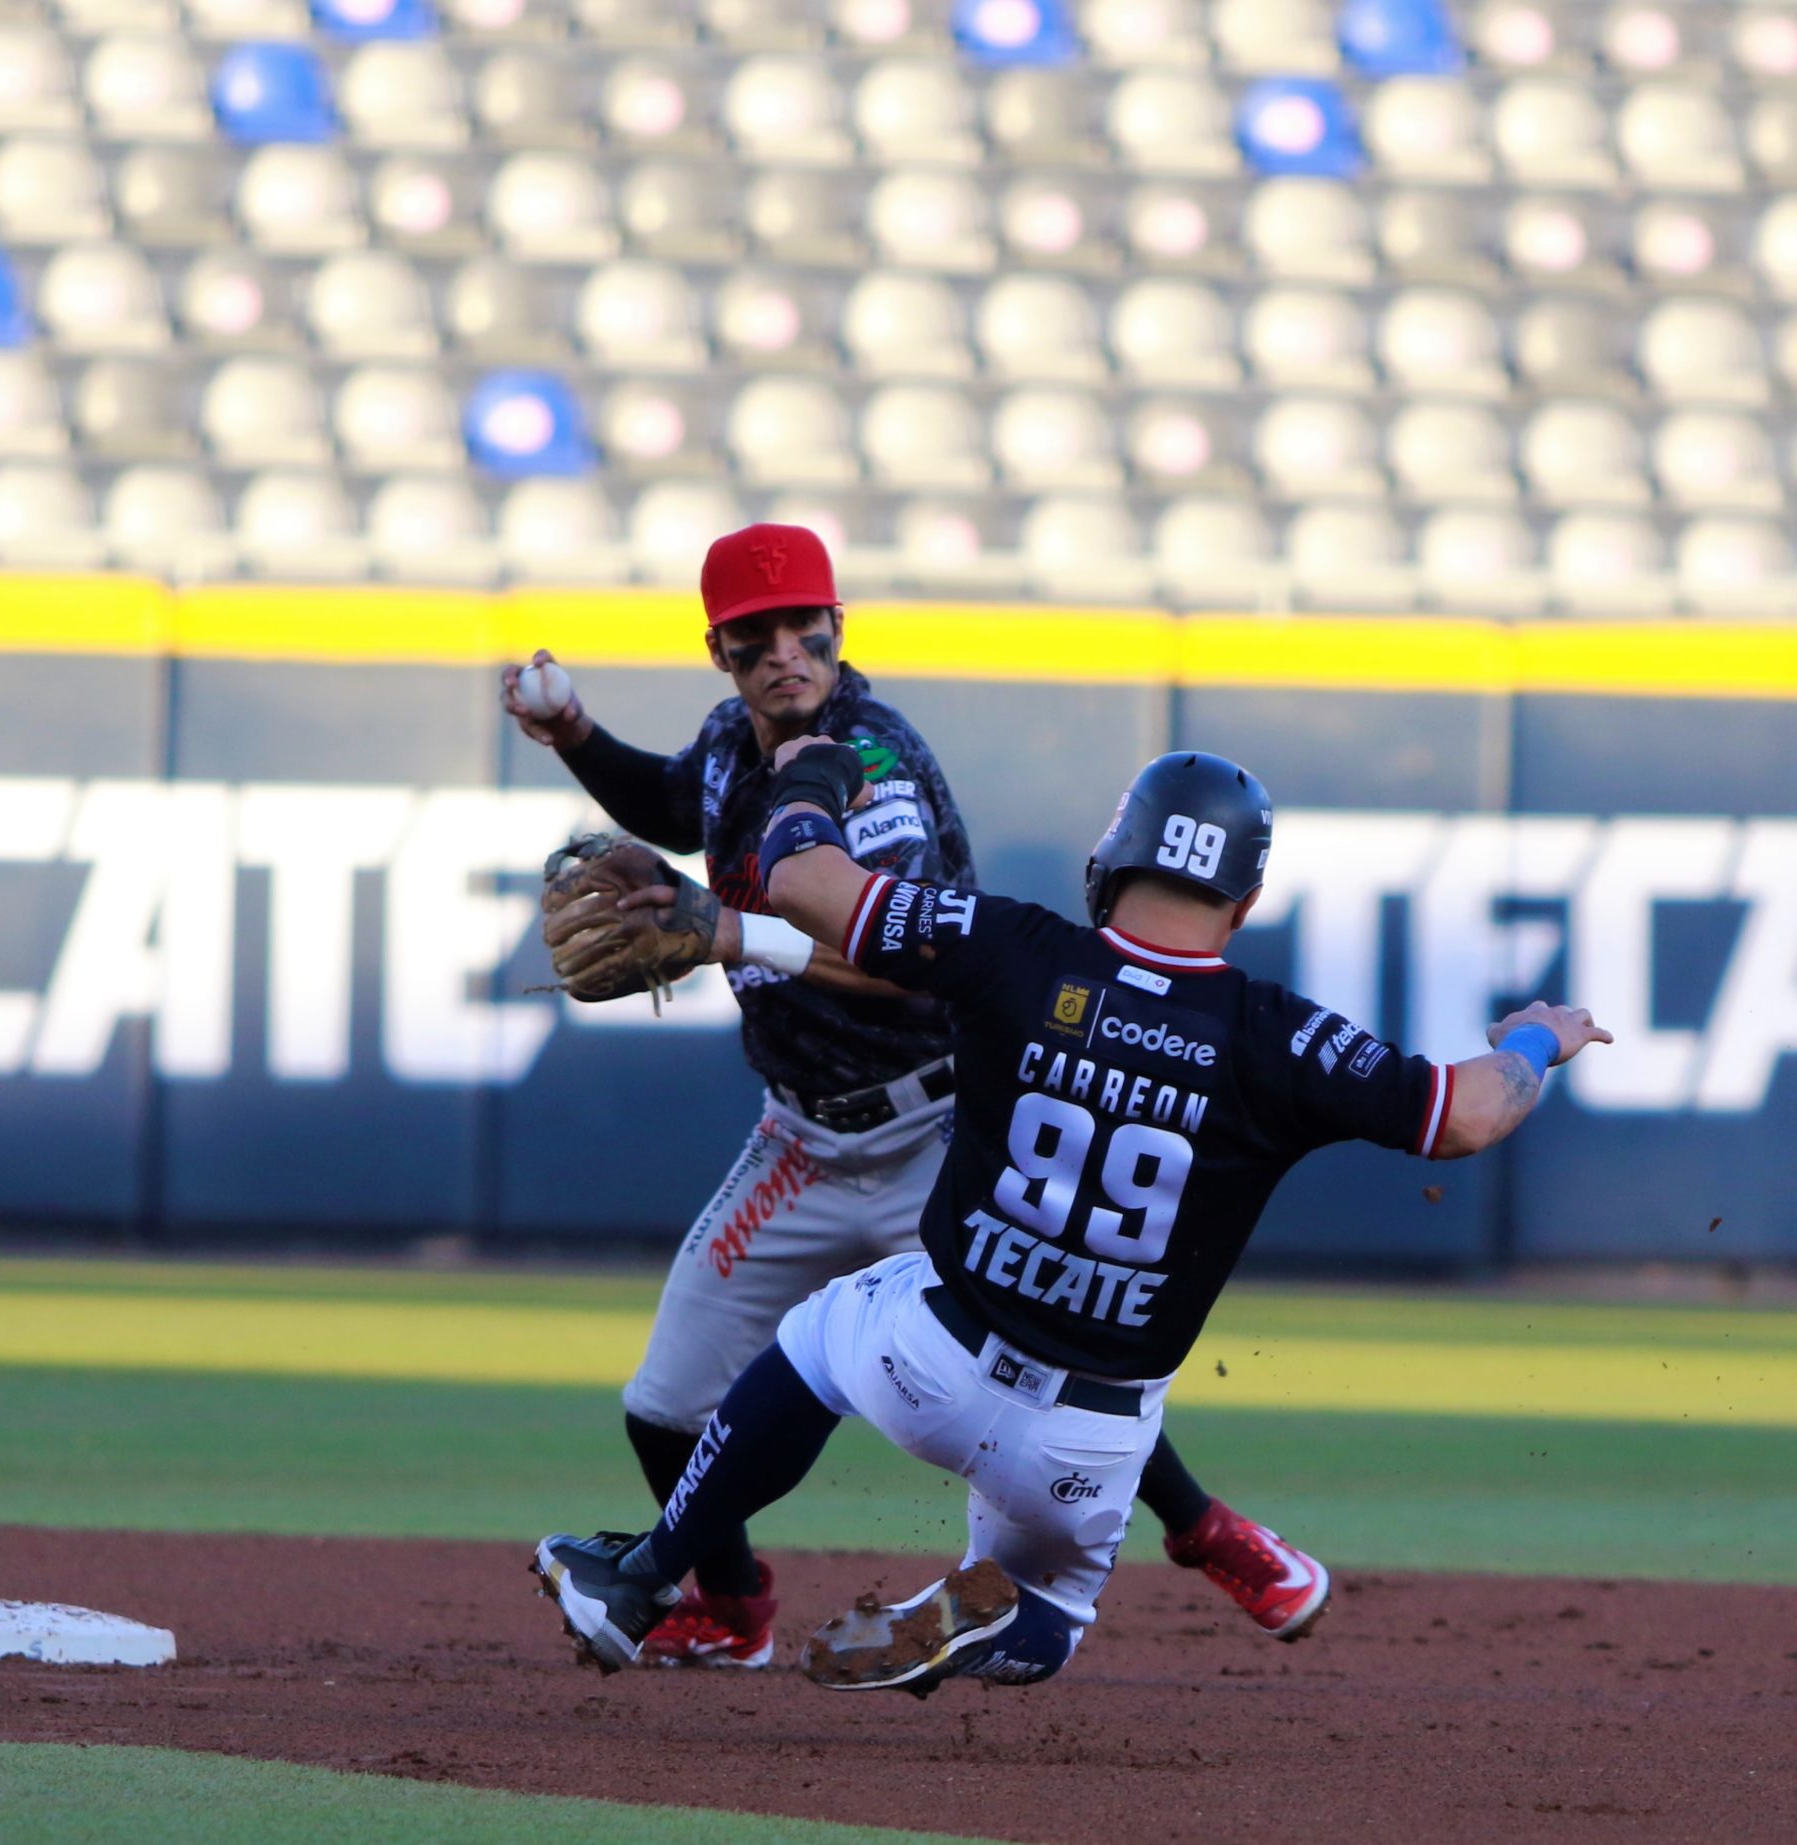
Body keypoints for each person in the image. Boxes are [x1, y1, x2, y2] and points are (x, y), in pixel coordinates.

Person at [533, 743, 1609, 1691]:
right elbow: (1468, 1114)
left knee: (817, 1338)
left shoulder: (1014, 947)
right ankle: (996, 1622)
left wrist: (812, 773)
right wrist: (1536, 1038)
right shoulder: (1279, 1038)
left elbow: (803, 881)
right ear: (1242, 903)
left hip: (930, 1360)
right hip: (1092, 1439)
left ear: (1112, 858)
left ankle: (641, 1579)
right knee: (1052, 1610)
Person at [504, 525, 1332, 1669]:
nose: (786, 655)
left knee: (1046, 1357)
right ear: (718, 653)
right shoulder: (732, 742)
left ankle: (1209, 1533)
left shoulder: (869, 765)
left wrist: (721, 929)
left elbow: (913, 959)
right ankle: (733, 1612)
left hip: (941, 1124)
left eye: (807, 630)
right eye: (755, 638)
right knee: (662, 1404)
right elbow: (676, 804)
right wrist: (575, 737)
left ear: (839, 630)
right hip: (798, 1138)